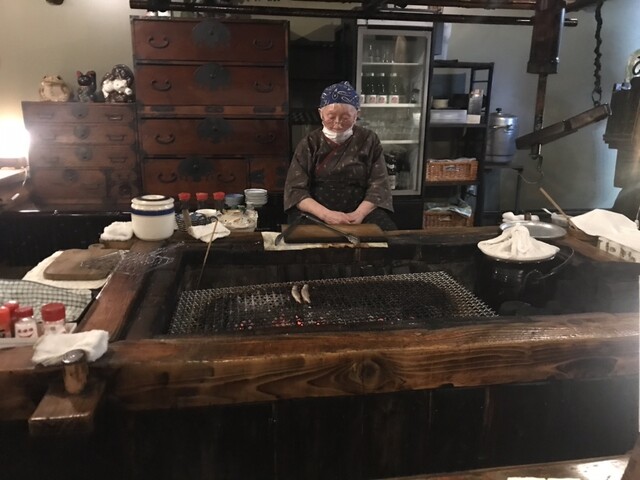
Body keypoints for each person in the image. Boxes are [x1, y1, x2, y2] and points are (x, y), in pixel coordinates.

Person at [284, 81, 397, 230]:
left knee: (386, 234)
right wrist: (326, 215)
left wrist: (359, 214)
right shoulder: (310, 143)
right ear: (321, 114)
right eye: (331, 117)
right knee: (304, 235)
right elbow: (295, 190)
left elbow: (379, 186)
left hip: (361, 211)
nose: (337, 123)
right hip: (318, 213)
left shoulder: (369, 140)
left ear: (357, 115)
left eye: (345, 117)